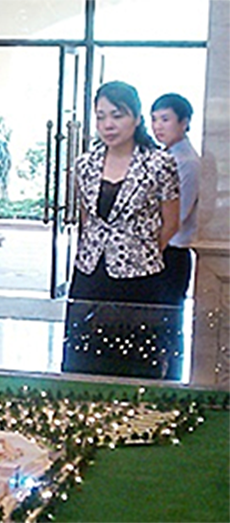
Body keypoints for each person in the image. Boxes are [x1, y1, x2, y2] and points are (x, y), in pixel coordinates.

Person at [63, 81, 181, 379]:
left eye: (117, 115)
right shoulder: (85, 164)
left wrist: (142, 251)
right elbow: (87, 219)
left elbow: (171, 222)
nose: (108, 125)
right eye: (101, 116)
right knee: (84, 360)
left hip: (140, 279)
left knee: (134, 362)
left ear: (137, 118)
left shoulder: (159, 163)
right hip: (90, 274)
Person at [151, 93, 200, 304]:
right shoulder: (166, 156)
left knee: (164, 316)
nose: (158, 126)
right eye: (154, 119)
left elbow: (178, 215)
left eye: (165, 119)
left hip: (171, 252)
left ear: (184, 122)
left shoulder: (187, 162)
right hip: (160, 249)